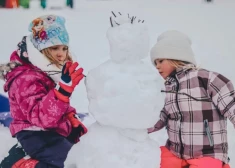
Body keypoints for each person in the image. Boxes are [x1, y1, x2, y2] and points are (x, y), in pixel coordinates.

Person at [0, 14, 87, 168]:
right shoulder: (25, 78)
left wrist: (70, 116)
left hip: (53, 130)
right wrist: (62, 92)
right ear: (41, 49)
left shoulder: (47, 71)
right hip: (34, 134)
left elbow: (55, 105)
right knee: (70, 163)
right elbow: (40, 118)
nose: (61, 53)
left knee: (83, 153)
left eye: (64, 48)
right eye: (54, 47)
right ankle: (21, 164)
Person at [147, 30, 233, 168]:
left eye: (160, 61)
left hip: (207, 153)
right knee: (148, 159)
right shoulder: (165, 89)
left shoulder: (206, 79)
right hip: (174, 152)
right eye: (155, 62)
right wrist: (134, 127)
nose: (157, 66)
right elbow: (158, 118)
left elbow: (231, 105)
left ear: (175, 57)